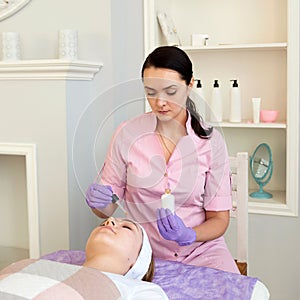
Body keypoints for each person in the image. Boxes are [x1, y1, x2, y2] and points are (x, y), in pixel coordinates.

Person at [86, 45, 240, 274]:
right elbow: (106, 210)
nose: (160, 102)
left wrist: (190, 234)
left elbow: (219, 219)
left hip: (203, 251)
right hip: (144, 254)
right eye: (151, 92)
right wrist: (99, 203)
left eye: (170, 91)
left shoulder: (211, 142)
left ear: (190, 85)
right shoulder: (126, 134)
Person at [0, 217, 169, 299]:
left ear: (138, 261)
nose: (109, 221)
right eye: (102, 223)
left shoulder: (141, 290)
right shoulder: (43, 266)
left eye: (127, 227)